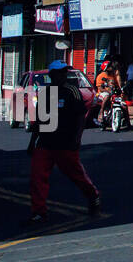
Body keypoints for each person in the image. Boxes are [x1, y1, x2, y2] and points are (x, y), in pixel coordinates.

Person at [24, 61, 100, 226]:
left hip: (65, 144)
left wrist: (77, 139)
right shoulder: (44, 93)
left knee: (76, 175)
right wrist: (32, 142)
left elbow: (80, 118)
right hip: (44, 143)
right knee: (37, 177)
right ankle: (39, 212)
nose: (63, 75)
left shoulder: (71, 91)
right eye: (60, 72)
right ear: (51, 75)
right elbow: (39, 121)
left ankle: (93, 196)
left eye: (65, 72)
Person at [94, 61, 123, 127]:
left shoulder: (113, 75)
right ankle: (101, 112)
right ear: (106, 68)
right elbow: (100, 88)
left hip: (112, 93)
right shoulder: (101, 76)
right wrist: (107, 91)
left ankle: (128, 123)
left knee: (123, 105)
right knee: (107, 96)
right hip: (102, 93)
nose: (111, 67)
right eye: (110, 66)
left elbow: (117, 84)